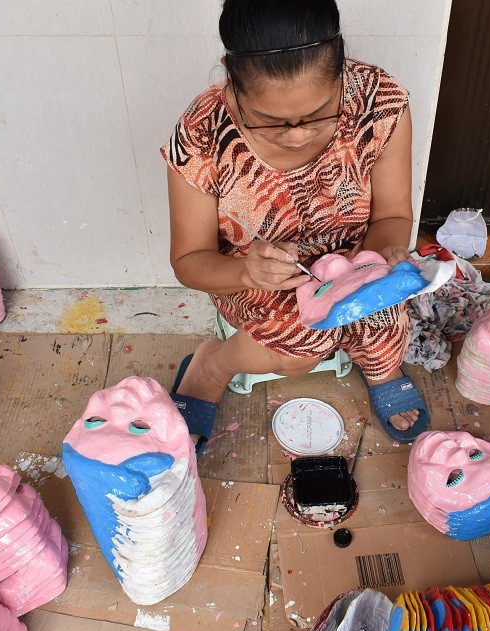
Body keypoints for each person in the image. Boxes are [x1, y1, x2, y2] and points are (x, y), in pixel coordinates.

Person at [161, 0, 430, 450]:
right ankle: (212, 364)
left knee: (386, 314)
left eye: (319, 113)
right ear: (231, 77)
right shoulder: (202, 134)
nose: (297, 134)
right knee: (299, 346)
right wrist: (248, 271)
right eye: (269, 121)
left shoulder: (378, 103)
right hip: (253, 277)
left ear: (341, 71)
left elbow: (392, 217)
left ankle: (379, 364)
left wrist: (378, 258)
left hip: (354, 260)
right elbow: (189, 261)